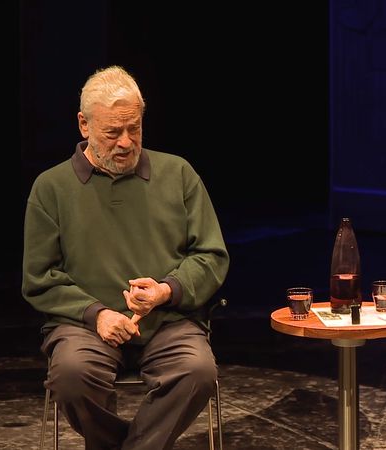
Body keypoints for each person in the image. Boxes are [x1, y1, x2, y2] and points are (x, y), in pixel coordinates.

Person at [22, 65, 230, 450]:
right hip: (84, 327)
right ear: (84, 125)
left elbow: (211, 256)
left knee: (197, 372)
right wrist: (97, 314)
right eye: (112, 131)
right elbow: (40, 277)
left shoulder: (178, 174)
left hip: (168, 322)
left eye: (133, 128)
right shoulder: (51, 188)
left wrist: (167, 290)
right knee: (70, 375)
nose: (125, 142)